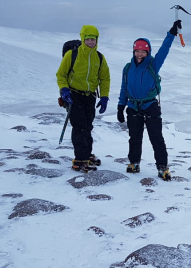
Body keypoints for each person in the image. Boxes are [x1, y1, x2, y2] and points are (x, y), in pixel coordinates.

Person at [117, 20, 181, 181]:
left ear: (147, 52)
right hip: (133, 106)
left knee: (156, 138)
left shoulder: (153, 64)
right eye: (137, 51)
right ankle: (134, 163)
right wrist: (120, 106)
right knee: (135, 138)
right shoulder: (127, 68)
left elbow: (164, 50)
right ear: (133, 51)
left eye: (143, 51)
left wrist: (172, 33)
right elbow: (124, 88)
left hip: (150, 105)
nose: (139, 54)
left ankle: (162, 167)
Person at [56, 25, 111, 172]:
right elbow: (61, 74)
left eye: (93, 39)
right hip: (74, 95)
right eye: (88, 39)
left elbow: (105, 78)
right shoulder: (72, 55)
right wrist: (64, 90)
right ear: (83, 39)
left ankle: (87, 154)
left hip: (90, 96)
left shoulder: (99, 57)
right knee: (79, 126)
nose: (91, 42)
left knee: (88, 126)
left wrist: (104, 97)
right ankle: (80, 159)